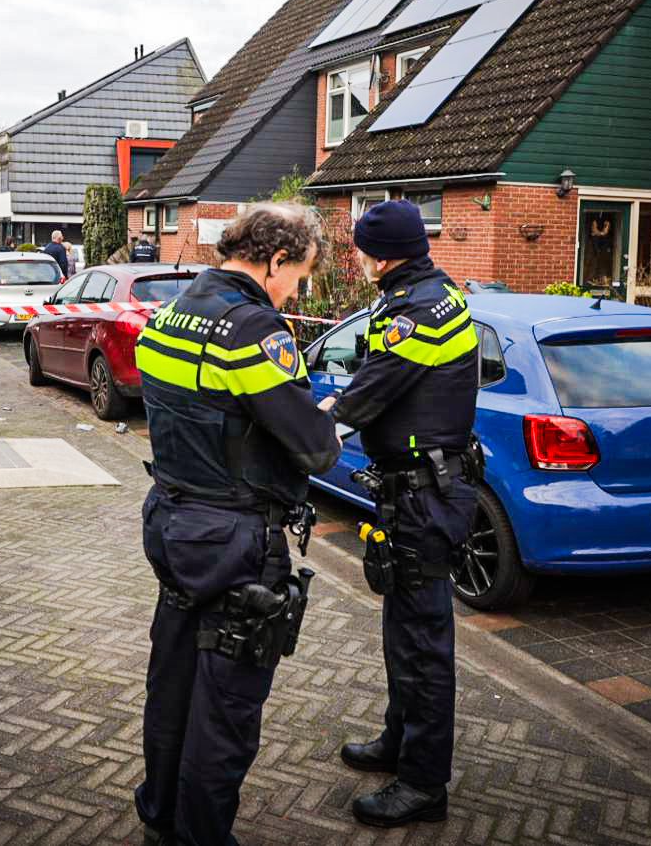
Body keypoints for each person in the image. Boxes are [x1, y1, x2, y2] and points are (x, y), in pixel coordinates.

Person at [134, 202, 341, 846]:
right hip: (235, 541)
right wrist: (323, 420)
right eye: (297, 277)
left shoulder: (170, 313)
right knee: (225, 711)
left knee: (173, 686)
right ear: (275, 260)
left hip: (173, 524)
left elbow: (205, 411)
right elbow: (314, 449)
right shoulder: (253, 329)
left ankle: (160, 817)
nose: (295, 293)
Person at [327, 200, 480, 829]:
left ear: (383, 256)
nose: (359, 259)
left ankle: (423, 784)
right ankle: (399, 739)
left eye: (363, 250)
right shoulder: (424, 294)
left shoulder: (417, 314)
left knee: (422, 643)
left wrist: (314, 428)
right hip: (414, 491)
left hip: (424, 497)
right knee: (403, 630)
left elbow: (368, 393)